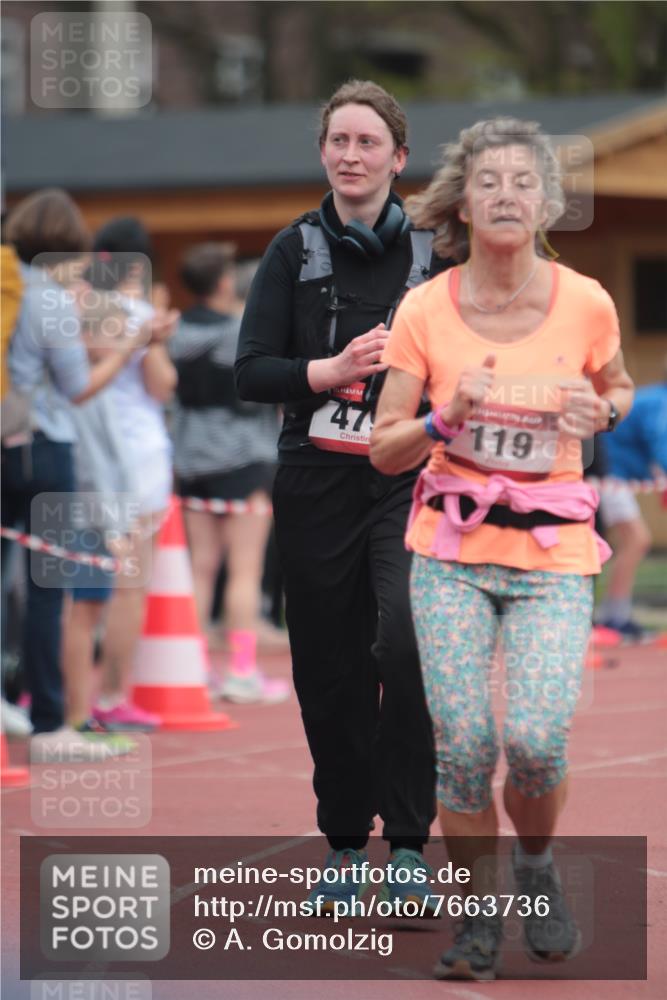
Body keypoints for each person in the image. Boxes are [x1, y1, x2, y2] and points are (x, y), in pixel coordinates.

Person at [370, 118, 634, 980]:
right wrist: (445, 418)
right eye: (489, 182)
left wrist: (604, 411)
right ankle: (479, 921)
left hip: (553, 555)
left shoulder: (586, 301)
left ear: (546, 202)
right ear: (463, 203)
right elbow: (384, 448)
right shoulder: (423, 309)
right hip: (449, 553)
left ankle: (535, 865)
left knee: (534, 741)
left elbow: (617, 386)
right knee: (463, 745)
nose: (507, 195)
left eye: (524, 181)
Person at [235, 79, 445, 910]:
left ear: (398, 158)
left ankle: (408, 847)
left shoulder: (435, 253)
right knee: (329, 669)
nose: (350, 156)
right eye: (338, 141)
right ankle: (346, 844)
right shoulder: (293, 250)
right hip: (315, 480)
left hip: (408, 480)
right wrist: (331, 369)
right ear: (322, 152)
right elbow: (251, 371)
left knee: (405, 647)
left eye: (367, 143)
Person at [1, 189, 147, 737]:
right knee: (48, 587)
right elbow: (77, 388)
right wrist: (125, 348)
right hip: (45, 446)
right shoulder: (49, 298)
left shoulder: (7, 286)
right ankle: (50, 720)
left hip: (3, 439)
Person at [169, 242, 286, 704]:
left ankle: (196, 669)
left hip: (192, 459)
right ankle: (241, 671)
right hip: (243, 458)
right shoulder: (241, 331)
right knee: (245, 569)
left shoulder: (174, 331)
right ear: (222, 282)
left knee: (200, 567)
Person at [87, 217, 179, 731]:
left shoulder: (77, 307)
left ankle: (47, 694)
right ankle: (110, 696)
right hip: (138, 457)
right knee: (129, 586)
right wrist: (156, 338)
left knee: (68, 587)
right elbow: (162, 387)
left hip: (86, 455)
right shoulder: (141, 314)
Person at [595, 363, 667, 640]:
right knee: (636, 539)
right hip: (610, 473)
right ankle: (614, 616)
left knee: (629, 540)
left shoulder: (653, 398)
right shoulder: (660, 402)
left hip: (614, 471)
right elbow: (660, 442)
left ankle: (614, 614)